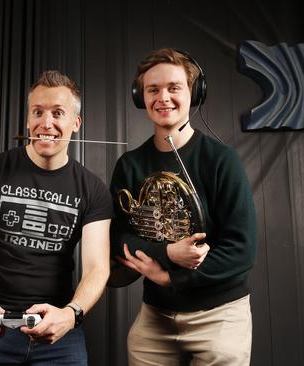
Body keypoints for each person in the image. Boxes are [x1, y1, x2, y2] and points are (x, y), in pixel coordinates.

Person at [0, 70, 112, 365]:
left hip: (60, 327)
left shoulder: (93, 190)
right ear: (27, 120)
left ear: (75, 123)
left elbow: (97, 269)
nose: (45, 123)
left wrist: (70, 315)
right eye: (37, 112)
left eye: (58, 113)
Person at [110, 48, 257, 365]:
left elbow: (242, 250)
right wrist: (168, 254)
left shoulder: (222, 160)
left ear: (195, 93)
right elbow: (116, 238)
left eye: (173, 87)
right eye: (153, 89)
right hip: (157, 314)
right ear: (140, 97)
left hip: (219, 314)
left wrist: (171, 278)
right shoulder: (130, 164)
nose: (163, 97)